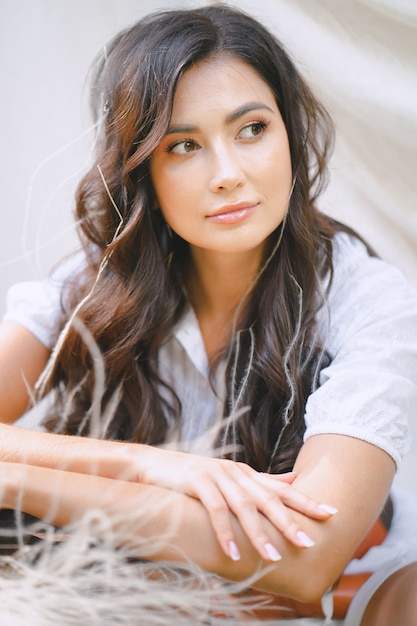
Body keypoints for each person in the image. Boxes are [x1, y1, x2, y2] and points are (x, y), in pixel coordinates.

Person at [0, 4, 416, 624]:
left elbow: (306, 562)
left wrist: (11, 478)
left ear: (291, 137)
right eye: (184, 145)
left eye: (252, 129)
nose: (228, 175)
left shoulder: (370, 299)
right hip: (151, 593)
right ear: (142, 172)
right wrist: (150, 465)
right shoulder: (93, 288)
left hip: (350, 599)